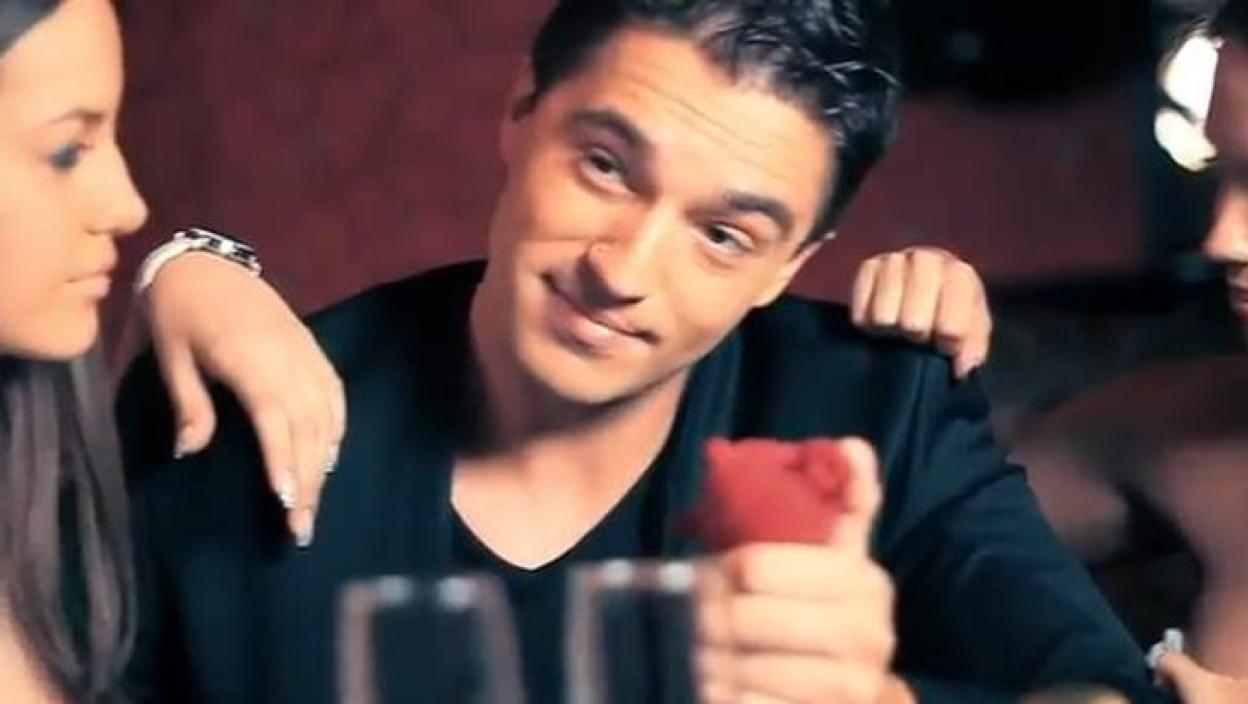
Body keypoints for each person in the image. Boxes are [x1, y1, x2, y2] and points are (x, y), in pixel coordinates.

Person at [115, 1, 1166, 703]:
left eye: (724, 234)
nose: (623, 268)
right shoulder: (239, 411)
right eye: (607, 167)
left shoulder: (879, 411)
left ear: (791, 263)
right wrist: (181, 263)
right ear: (522, 113)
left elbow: (1098, 689)